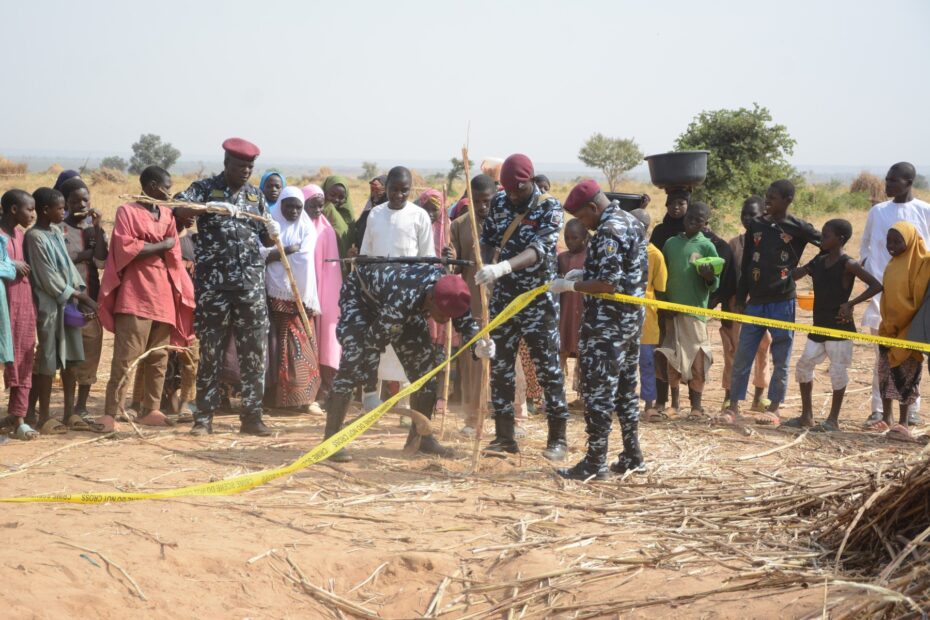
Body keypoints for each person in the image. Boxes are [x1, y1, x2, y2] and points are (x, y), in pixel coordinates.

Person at [322, 264, 494, 461]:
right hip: (362, 298)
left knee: (426, 369)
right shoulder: (401, 302)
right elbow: (372, 344)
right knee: (353, 360)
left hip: (405, 302)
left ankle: (421, 439)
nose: (447, 320)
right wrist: (369, 392)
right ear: (431, 299)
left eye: (450, 316)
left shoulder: (452, 292)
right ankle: (331, 441)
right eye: (442, 314)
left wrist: (478, 345)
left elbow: (466, 323)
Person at [174, 137, 281, 436]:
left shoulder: (255, 196)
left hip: (250, 287)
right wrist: (207, 207)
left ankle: (252, 417)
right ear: (226, 163)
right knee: (211, 352)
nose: (245, 171)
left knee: (253, 353)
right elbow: (179, 209)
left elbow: (265, 238)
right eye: (240, 166)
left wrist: (272, 231)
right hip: (214, 287)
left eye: (250, 167)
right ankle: (204, 418)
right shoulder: (204, 189)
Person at [475, 153, 570, 460]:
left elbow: (539, 250)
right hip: (504, 298)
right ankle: (504, 437)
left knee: (548, 370)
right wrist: (487, 265)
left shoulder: (549, 207)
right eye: (509, 191)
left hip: (537, 301)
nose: (514, 196)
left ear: (530, 180)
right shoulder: (500, 203)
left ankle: (557, 439)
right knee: (500, 368)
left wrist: (503, 267)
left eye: (519, 190)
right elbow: (489, 239)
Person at [551, 180, 647, 479]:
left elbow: (607, 284)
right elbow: (625, 270)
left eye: (582, 218)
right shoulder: (630, 220)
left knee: (599, 393)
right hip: (630, 322)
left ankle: (595, 463)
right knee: (626, 391)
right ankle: (632, 455)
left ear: (593, 207)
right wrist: (585, 272)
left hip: (608, 325)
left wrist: (572, 285)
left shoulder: (608, 230)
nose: (583, 225)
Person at [96, 166, 195, 431]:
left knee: (158, 357)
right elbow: (124, 248)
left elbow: (173, 251)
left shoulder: (167, 215)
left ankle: (151, 409)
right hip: (135, 294)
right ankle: (111, 412)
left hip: (163, 295)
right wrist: (161, 245)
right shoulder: (127, 212)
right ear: (151, 186)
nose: (169, 192)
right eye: (166, 187)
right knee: (125, 358)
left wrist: (152, 247)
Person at [724, 180, 822, 425]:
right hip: (755, 301)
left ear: (788, 200)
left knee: (781, 357)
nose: (768, 200)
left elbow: (828, 244)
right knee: (743, 355)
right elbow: (748, 263)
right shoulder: (757, 224)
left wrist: (807, 268)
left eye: (773, 197)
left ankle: (774, 408)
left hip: (782, 301)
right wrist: (741, 296)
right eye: (767, 196)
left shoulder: (797, 227)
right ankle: (733, 406)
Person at [781, 219, 881, 432]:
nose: (822, 239)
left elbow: (875, 285)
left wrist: (851, 304)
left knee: (837, 371)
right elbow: (795, 276)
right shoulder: (819, 260)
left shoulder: (848, 263)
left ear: (840, 239)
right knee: (804, 366)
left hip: (839, 326)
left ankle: (833, 420)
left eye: (826, 236)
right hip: (819, 324)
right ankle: (806, 416)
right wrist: (798, 265)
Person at [359, 167, 435, 417]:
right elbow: (366, 254)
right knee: (375, 349)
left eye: (404, 190)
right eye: (394, 189)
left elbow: (427, 259)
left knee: (407, 355)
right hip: (377, 296)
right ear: (387, 188)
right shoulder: (375, 214)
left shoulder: (419, 216)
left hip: (408, 298)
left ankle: (406, 408)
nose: (399, 195)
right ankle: (371, 402)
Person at [859, 162, 930, 427]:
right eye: (887, 179)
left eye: (893, 180)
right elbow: (866, 245)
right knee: (882, 356)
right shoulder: (877, 212)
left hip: (915, 300)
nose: (887, 184)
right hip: (882, 295)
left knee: (912, 356)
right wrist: (871, 272)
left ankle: (911, 411)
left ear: (908, 182)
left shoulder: (925, 211)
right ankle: (879, 410)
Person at [25, 188, 97, 434]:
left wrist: (79, 293)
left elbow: (68, 267)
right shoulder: (34, 236)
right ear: (45, 210)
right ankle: (44, 416)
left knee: (72, 358)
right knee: (48, 358)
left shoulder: (56, 231)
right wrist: (79, 295)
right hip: (49, 305)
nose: (64, 212)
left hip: (68, 304)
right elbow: (47, 277)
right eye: (60, 208)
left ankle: (69, 412)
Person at [655, 202, 719, 417]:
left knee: (697, 358)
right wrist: (663, 303)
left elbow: (714, 284)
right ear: (684, 218)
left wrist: (709, 278)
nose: (692, 222)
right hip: (672, 312)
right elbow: (663, 276)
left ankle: (696, 406)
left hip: (695, 312)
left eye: (698, 220)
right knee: (673, 357)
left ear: (705, 223)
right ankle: (674, 404)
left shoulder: (707, 247)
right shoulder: (671, 243)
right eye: (690, 217)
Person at [262, 186, 321, 410]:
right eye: (289, 207)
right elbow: (261, 254)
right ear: (281, 206)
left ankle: (301, 399)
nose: (294, 211)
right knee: (274, 348)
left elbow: (304, 258)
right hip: (273, 297)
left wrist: (277, 255)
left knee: (299, 347)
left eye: (298, 207)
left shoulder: (307, 228)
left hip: (299, 299)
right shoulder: (270, 225)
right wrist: (285, 251)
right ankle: (273, 399)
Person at [449, 174, 495, 436]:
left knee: (506, 361)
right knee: (473, 361)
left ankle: (513, 417)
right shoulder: (459, 225)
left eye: (487, 201)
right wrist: (451, 257)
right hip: (473, 304)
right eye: (477, 201)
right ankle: (472, 417)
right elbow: (455, 266)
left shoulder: (505, 222)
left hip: (502, 303)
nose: (482, 207)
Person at [875, 223, 930, 440]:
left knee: (906, 376)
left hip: (911, 328)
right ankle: (886, 417)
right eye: (889, 241)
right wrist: (889, 324)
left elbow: (917, 300)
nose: (891, 246)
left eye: (897, 241)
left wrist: (904, 321)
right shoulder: (892, 264)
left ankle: (904, 422)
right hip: (889, 327)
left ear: (910, 241)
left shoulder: (924, 263)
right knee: (885, 372)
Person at [59, 177, 108, 420]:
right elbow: (61, 261)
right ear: (66, 203)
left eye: (85, 200)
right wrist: (83, 254)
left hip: (91, 302)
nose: (81, 205)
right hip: (67, 304)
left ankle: (81, 405)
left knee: (90, 354)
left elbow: (101, 261)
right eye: (75, 200)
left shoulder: (93, 230)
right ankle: (69, 406)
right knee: (69, 358)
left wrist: (97, 229)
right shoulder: (59, 229)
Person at [722, 197, 772, 411]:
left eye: (753, 214)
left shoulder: (771, 243)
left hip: (762, 303)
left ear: (764, 215)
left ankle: (759, 396)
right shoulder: (734, 244)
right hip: (736, 304)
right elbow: (728, 277)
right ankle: (729, 395)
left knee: (763, 347)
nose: (748, 218)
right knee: (733, 349)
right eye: (745, 214)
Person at [0, 190, 37, 439]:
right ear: (14, 209)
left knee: (24, 356)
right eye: (29, 209)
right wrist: (11, 264)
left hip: (23, 304)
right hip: (3, 304)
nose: (33, 215)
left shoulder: (22, 236)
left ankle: (19, 417)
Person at [304, 184, 342, 409]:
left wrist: (320, 297)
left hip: (324, 293)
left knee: (327, 339)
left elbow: (332, 271)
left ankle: (326, 392)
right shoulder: (297, 226)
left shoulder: (327, 230)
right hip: (301, 292)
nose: (317, 211)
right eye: (312, 206)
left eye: (320, 207)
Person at [630, 208, 667, 421]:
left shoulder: (655, 255)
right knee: (624, 363)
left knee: (646, 362)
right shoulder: (623, 249)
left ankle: (649, 404)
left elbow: (660, 288)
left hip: (647, 317)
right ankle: (624, 402)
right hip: (623, 316)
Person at [557, 218, 588, 404]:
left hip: (584, 312)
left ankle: (582, 396)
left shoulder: (591, 257)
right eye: (567, 237)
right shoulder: (561, 258)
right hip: (565, 311)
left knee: (584, 353)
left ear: (584, 237)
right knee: (561, 349)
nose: (570, 241)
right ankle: (556, 393)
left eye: (574, 237)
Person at [321, 175, 357, 263]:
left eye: (341, 197)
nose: (336, 199)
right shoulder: (316, 212)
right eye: (332, 195)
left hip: (343, 264)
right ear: (324, 191)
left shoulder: (348, 215)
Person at [356, 174, 387, 247]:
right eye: (372, 190)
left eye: (378, 192)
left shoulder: (390, 217)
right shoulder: (366, 214)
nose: (374, 197)